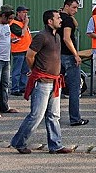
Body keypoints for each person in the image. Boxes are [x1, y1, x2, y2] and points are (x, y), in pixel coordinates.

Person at [10, 10, 73, 154]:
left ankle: (55, 145)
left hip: (55, 83)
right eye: (57, 18)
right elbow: (30, 56)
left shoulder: (56, 36)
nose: (60, 20)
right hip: (42, 83)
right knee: (36, 115)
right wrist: (35, 71)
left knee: (54, 116)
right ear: (50, 21)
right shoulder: (41, 37)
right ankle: (19, 142)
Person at [59, 0, 89, 126]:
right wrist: (76, 54)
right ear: (66, 6)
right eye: (74, 7)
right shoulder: (67, 20)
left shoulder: (58, 18)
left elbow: (75, 24)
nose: (76, 10)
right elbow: (67, 38)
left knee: (54, 87)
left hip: (57, 55)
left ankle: (49, 115)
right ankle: (75, 118)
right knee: (75, 88)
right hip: (68, 56)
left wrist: (69, 15)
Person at [10, 5, 32, 96]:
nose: (25, 15)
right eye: (23, 13)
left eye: (26, 13)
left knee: (25, 71)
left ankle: (22, 87)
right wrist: (26, 23)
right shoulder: (13, 23)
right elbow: (21, 34)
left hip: (26, 50)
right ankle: (15, 88)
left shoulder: (22, 23)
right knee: (17, 71)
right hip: (18, 50)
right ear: (18, 13)